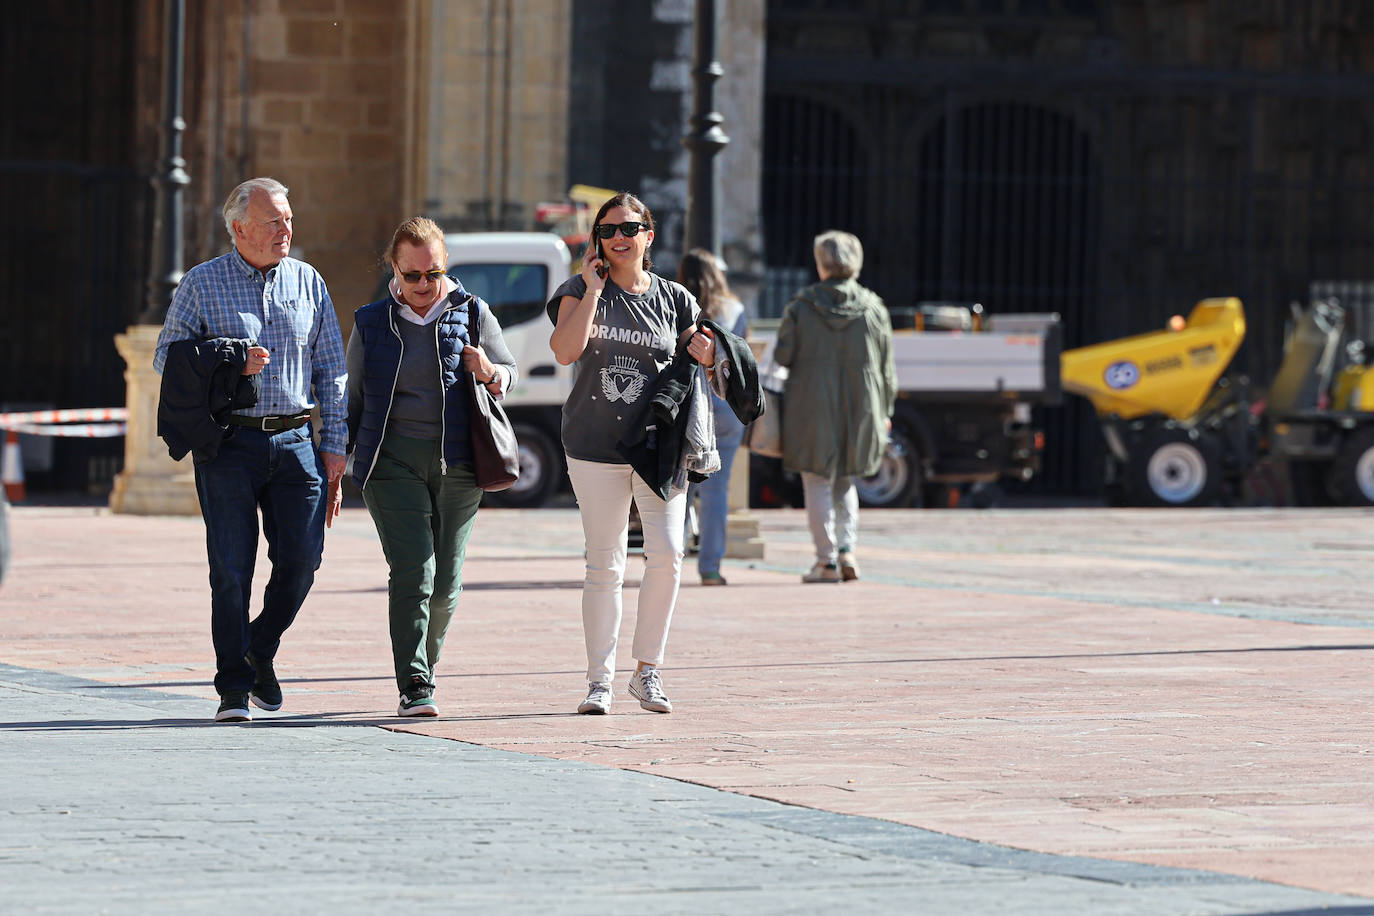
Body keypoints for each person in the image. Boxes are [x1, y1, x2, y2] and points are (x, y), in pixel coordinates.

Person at [154, 177, 348, 723]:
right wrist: (227, 360)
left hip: (295, 440)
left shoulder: (308, 281)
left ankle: (258, 647)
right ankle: (234, 689)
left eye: (289, 219)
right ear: (239, 228)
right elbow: (166, 360)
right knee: (231, 569)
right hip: (230, 443)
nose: (285, 229)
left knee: (303, 563)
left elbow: (331, 368)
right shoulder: (202, 283)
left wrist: (334, 447)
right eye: (273, 221)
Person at [548, 192, 719, 715]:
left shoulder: (675, 299)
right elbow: (564, 350)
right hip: (594, 446)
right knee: (605, 564)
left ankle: (648, 671)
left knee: (667, 556)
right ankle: (599, 681)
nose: (618, 238)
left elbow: (703, 357)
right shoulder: (578, 289)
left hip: (659, 448)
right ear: (597, 241)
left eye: (629, 228)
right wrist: (596, 290)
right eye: (607, 231)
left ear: (649, 235)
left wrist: (712, 353)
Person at [347, 217, 518, 718]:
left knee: (445, 585)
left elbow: (507, 371)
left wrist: (489, 371)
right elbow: (353, 397)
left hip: (460, 465)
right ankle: (415, 683)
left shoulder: (473, 313)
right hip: (392, 461)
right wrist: (337, 461)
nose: (424, 286)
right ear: (393, 271)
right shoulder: (370, 321)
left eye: (433, 274)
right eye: (412, 276)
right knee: (414, 573)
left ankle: (425, 660)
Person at [775, 230, 896, 584]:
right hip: (862, 406)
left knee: (815, 480)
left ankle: (825, 560)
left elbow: (783, 355)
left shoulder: (801, 307)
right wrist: (886, 411)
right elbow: (888, 368)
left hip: (811, 405)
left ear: (820, 262)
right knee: (846, 479)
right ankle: (847, 551)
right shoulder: (874, 308)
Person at [677, 249, 749, 586]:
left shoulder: (676, 305)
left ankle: (670, 561)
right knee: (717, 492)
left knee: (681, 488)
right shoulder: (734, 310)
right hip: (726, 406)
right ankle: (710, 567)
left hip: (688, 405)